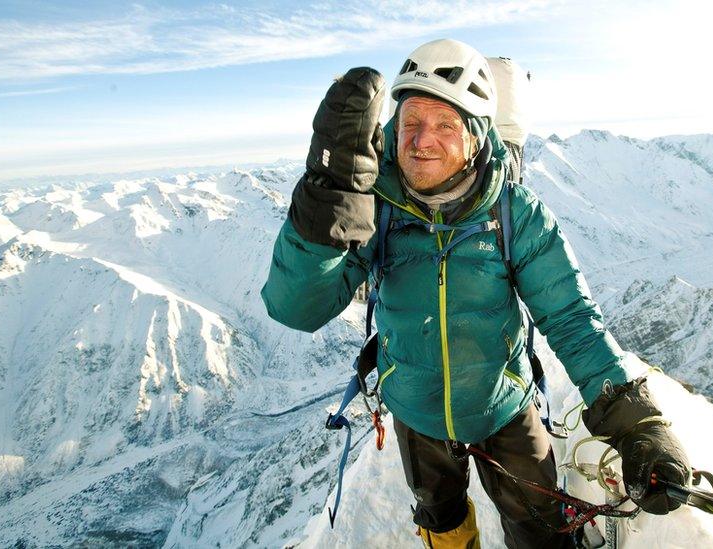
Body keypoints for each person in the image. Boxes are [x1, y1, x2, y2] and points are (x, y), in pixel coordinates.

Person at [261, 39, 690, 549]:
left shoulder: (515, 214)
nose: (422, 140)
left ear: (475, 136)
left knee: (540, 529)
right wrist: (324, 202)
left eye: (445, 125)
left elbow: (572, 319)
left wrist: (637, 426)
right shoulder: (374, 207)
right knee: (440, 519)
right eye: (412, 121)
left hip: (503, 406)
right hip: (415, 411)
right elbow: (297, 308)